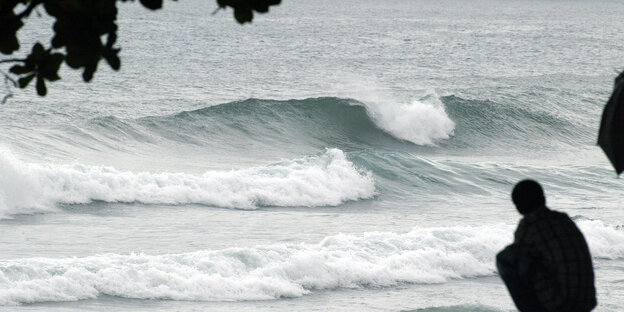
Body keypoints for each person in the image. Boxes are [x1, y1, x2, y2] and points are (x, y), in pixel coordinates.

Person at [496, 180, 596, 312]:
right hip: (586, 301)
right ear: (543, 198)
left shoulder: (529, 225)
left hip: (560, 304)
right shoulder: (564, 219)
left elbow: (517, 259)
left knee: (504, 258)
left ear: (519, 206)